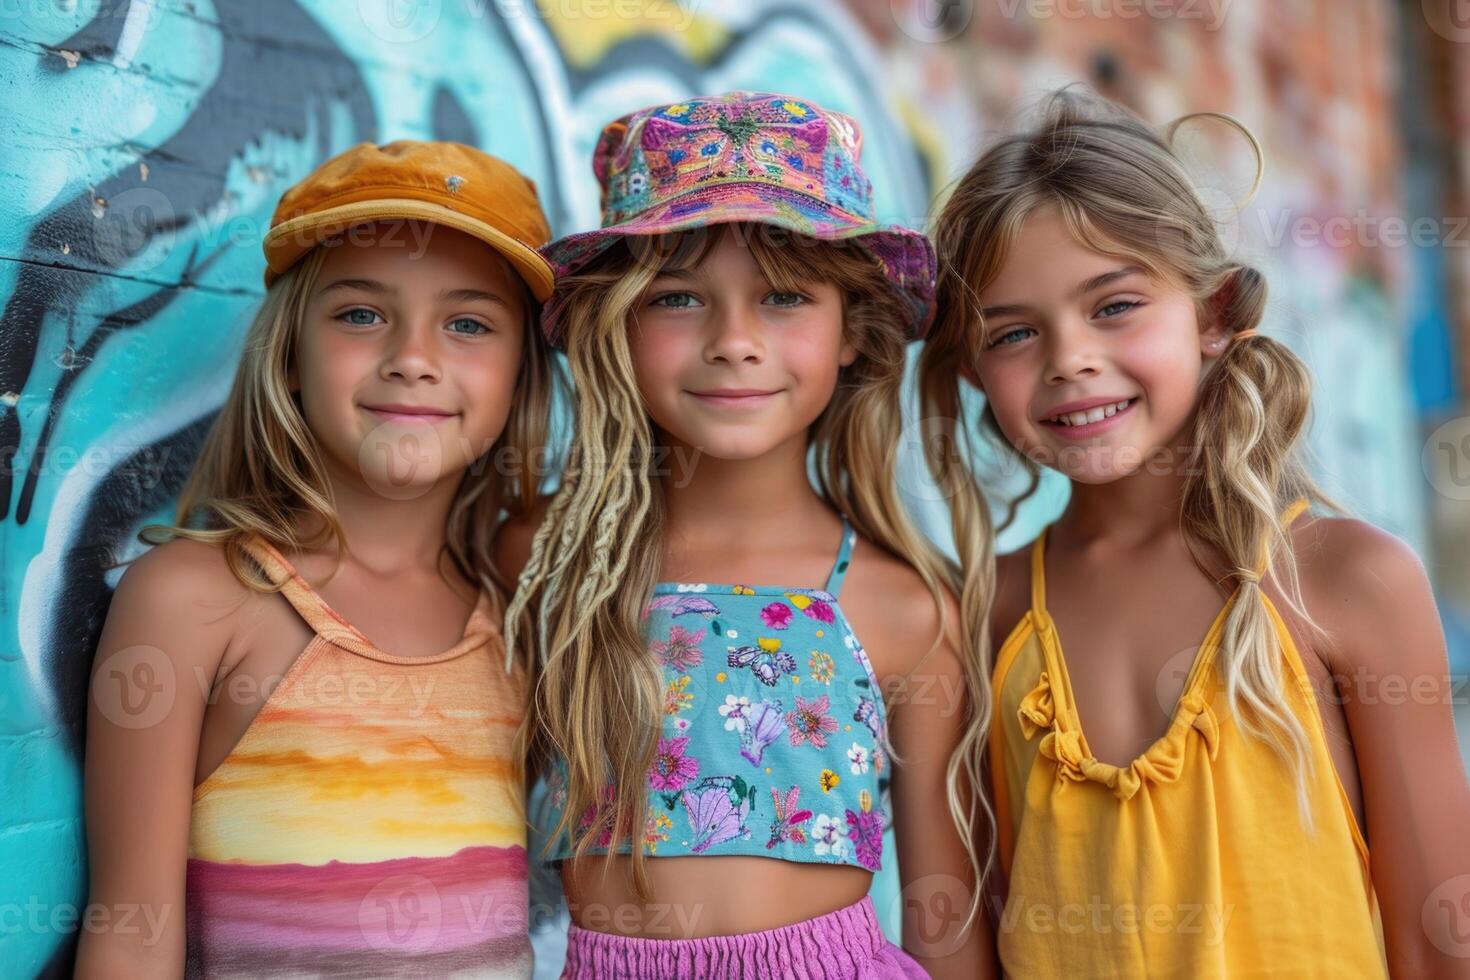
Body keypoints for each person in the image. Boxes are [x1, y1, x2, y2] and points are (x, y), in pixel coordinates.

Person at [923, 86, 1470, 976]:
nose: (1070, 359)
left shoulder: (1342, 581)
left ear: (1213, 315)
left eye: (1114, 307)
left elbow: (1439, 935)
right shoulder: (984, 611)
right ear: (975, 372)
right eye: (1016, 333)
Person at [496, 91, 994, 978]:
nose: (734, 341)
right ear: (616, 322)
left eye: (784, 298)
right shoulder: (546, 562)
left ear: (851, 332)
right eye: (679, 297)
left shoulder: (902, 607)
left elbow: (944, 919)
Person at [78, 140, 560, 978]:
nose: (413, 357)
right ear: (291, 355)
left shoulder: (518, 603)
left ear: (520, 378)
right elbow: (129, 931)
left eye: (469, 324)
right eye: (361, 314)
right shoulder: (197, 598)